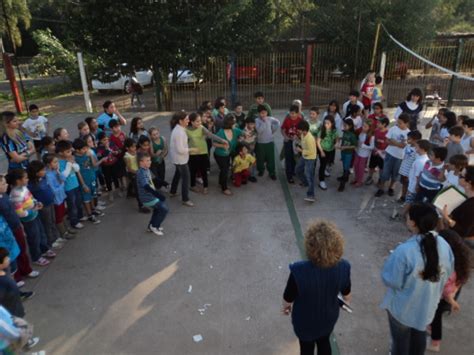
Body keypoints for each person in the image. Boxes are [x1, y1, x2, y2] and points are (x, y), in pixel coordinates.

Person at [381, 203, 454, 355]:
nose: (406, 218)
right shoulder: (444, 245)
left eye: (408, 217)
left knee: (400, 344)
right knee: (419, 335)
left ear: (413, 223)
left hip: (403, 310)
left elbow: (392, 281)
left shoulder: (404, 251)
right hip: (427, 308)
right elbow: (447, 273)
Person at [282, 220, 351, 355]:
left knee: (306, 348)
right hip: (328, 318)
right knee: (324, 342)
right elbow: (347, 296)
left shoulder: (298, 270)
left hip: (305, 322)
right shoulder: (344, 267)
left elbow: (287, 299)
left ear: (309, 246)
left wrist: (286, 308)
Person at [427, 229, 471, 352]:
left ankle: (435, 343)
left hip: (442, 298)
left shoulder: (448, 265)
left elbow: (445, 288)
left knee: (436, 319)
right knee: (435, 317)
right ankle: (430, 328)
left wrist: (451, 300)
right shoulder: (461, 260)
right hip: (448, 295)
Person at [7, 169, 53, 267]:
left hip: (35, 215)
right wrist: (33, 210)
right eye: (26, 178)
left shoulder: (24, 187)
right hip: (28, 220)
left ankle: (44, 249)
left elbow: (31, 198)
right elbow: (19, 213)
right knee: (34, 238)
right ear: (18, 181)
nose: (28, 179)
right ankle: (36, 257)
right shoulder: (15, 194)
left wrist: (36, 203)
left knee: (41, 233)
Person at [0, 175, 38, 283]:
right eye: (3, 184)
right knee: (11, 255)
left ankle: (25, 270)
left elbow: (13, 212)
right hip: (8, 231)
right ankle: (16, 276)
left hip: (16, 226)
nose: (6, 185)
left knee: (20, 249)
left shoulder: (4, 195)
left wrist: (19, 224)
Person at [187, 112, 227, 194]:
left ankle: (205, 186)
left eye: (200, 121)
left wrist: (222, 140)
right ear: (192, 122)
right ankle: (192, 186)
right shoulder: (186, 130)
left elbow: (210, 135)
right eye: (197, 121)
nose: (200, 123)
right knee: (193, 171)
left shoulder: (201, 128)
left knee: (203, 170)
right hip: (192, 153)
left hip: (203, 152)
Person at [26, 161, 63, 250]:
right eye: (42, 170)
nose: (44, 171)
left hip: (50, 202)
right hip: (43, 207)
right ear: (36, 172)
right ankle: (51, 241)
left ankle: (56, 237)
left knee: (52, 220)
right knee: (47, 223)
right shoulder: (31, 185)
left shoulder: (43, 178)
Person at [375, 114, 410, 197]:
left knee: (395, 174)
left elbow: (404, 145)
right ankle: (381, 188)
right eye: (398, 122)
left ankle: (391, 187)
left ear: (406, 123)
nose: (398, 124)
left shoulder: (408, 133)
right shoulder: (393, 129)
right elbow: (387, 140)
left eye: (400, 123)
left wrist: (393, 141)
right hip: (390, 154)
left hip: (400, 157)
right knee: (385, 172)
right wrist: (398, 143)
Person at [169, 112, 198, 206]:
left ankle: (172, 191)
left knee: (178, 174)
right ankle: (185, 199)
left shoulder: (180, 128)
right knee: (186, 178)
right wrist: (192, 149)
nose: (188, 121)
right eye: (186, 119)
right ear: (180, 121)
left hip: (178, 159)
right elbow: (180, 150)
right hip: (180, 159)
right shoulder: (179, 132)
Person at [136, 153, 169, 236]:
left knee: (158, 210)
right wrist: (159, 195)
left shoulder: (147, 170)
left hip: (151, 196)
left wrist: (165, 183)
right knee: (164, 209)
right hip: (147, 198)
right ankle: (154, 226)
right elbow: (146, 186)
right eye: (147, 160)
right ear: (141, 163)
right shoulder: (141, 173)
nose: (150, 162)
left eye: (149, 160)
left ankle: (150, 227)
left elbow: (155, 178)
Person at [441, 166, 474, 248]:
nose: (458, 175)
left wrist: (447, 218)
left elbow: (463, 231)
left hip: (461, 242)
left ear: (468, 182)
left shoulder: (471, 206)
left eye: (461, 175)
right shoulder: (467, 197)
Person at [56, 140, 86, 230]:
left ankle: (79, 216)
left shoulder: (70, 159)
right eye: (68, 152)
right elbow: (63, 176)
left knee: (78, 202)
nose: (70, 153)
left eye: (70, 151)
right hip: (68, 188)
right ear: (61, 153)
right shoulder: (59, 163)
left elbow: (77, 170)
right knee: (72, 206)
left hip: (75, 185)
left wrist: (73, 163)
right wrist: (69, 164)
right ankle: (74, 222)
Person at [43, 154, 73, 239]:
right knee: (59, 217)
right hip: (57, 200)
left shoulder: (54, 171)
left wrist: (59, 171)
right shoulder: (48, 175)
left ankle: (66, 229)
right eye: (55, 162)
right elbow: (54, 190)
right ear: (49, 164)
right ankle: (63, 233)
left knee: (63, 214)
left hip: (61, 197)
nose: (57, 164)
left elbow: (63, 179)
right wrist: (62, 185)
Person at [73, 139, 103, 224]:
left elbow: (94, 164)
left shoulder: (87, 154)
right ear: (77, 150)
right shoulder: (75, 159)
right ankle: (89, 215)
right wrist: (83, 185)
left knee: (93, 194)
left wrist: (90, 156)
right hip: (84, 182)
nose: (85, 150)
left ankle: (93, 210)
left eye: (86, 148)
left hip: (92, 177)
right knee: (86, 198)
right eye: (83, 149)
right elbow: (78, 173)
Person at [213, 114, 243, 196]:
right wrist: (222, 145)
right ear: (229, 124)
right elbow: (213, 143)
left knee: (224, 170)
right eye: (234, 123)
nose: (235, 124)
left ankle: (220, 183)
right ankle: (224, 188)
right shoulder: (221, 132)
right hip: (219, 155)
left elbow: (243, 133)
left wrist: (246, 135)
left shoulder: (235, 130)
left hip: (227, 154)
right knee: (225, 171)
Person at [403, 139, 431, 214]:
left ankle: (403, 214)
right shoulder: (421, 158)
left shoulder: (421, 162)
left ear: (422, 149)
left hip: (413, 185)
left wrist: (415, 187)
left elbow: (418, 176)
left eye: (417, 147)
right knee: (409, 200)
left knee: (409, 201)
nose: (415, 148)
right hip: (412, 183)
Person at [255, 105, 280, 180]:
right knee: (260, 157)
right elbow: (259, 131)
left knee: (270, 158)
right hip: (260, 142)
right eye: (262, 113)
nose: (264, 115)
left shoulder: (270, 119)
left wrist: (273, 130)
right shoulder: (257, 120)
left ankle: (272, 172)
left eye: (265, 113)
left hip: (269, 141)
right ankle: (261, 170)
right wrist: (264, 122)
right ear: (259, 113)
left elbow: (278, 122)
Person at [295, 120, 317, 202]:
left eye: (299, 129)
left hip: (310, 158)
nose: (298, 130)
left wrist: (300, 150)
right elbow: (302, 143)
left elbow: (311, 151)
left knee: (309, 176)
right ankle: (305, 182)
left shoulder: (310, 139)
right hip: (304, 156)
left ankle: (311, 195)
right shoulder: (303, 135)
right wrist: (300, 145)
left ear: (304, 129)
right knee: (298, 170)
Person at [281, 105, 303, 184]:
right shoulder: (287, 120)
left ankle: (293, 171)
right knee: (288, 158)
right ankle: (289, 176)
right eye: (291, 113)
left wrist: (298, 137)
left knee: (295, 157)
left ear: (297, 113)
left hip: (297, 142)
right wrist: (285, 137)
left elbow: (302, 131)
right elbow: (283, 129)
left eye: (293, 113)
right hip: (288, 142)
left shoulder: (300, 120)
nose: (292, 115)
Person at [397, 130, 422, 202]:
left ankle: (407, 200)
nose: (407, 140)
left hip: (409, 172)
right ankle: (403, 197)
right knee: (404, 184)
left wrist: (410, 174)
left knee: (409, 186)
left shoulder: (417, 150)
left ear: (416, 140)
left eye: (409, 139)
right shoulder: (408, 146)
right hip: (403, 170)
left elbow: (415, 163)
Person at [96, 132, 121, 202]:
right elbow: (99, 157)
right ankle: (110, 193)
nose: (106, 141)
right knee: (108, 180)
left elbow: (118, 151)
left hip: (114, 164)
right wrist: (106, 149)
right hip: (106, 166)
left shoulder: (112, 143)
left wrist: (116, 152)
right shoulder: (99, 148)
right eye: (104, 140)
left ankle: (118, 189)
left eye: (107, 139)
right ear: (100, 141)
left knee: (116, 177)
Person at [0, 248, 25, 318]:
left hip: (15, 308)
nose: (9, 259)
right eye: (6, 258)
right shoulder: (3, 282)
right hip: (11, 314)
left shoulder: (5, 275)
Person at [365, 116, 389, 185]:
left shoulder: (388, 133)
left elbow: (388, 145)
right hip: (374, 152)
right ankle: (370, 177)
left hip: (382, 154)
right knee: (371, 166)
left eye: (379, 123)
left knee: (381, 167)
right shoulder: (376, 131)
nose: (377, 124)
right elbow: (373, 141)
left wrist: (382, 152)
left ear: (384, 124)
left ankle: (380, 179)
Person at [317, 115, 338, 190]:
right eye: (325, 123)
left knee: (327, 162)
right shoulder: (322, 131)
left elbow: (337, 139)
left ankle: (325, 170)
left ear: (332, 123)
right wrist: (321, 151)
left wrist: (336, 143)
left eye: (328, 123)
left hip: (331, 150)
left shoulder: (334, 130)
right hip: (322, 150)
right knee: (322, 165)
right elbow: (318, 142)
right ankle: (321, 181)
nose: (326, 125)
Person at [351, 120, 375, 187]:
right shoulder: (360, 132)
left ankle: (360, 181)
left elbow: (372, 147)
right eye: (363, 126)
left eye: (365, 127)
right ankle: (356, 178)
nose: (363, 127)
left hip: (364, 155)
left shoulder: (371, 137)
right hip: (358, 152)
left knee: (360, 168)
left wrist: (364, 146)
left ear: (369, 128)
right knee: (355, 165)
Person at [336, 119, 357, 192]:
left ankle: (342, 184)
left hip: (348, 153)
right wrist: (339, 139)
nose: (344, 127)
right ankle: (345, 177)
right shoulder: (345, 132)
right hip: (343, 152)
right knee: (344, 165)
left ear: (350, 126)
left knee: (346, 167)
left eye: (345, 125)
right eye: (343, 125)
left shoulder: (352, 135)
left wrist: (345, 147)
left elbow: (354, 146)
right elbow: (343, 138)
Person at [239, 117, 258, 182]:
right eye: (251, 124)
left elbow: (255, 139)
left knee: (252, 163)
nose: (253, 126)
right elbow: (240, 141)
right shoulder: (242, 131)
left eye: (253, 124)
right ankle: (244, 177)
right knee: (244, 164)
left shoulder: (254, 131)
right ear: (246, 124)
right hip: (245, 151)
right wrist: (247, 142)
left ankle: (252, 175)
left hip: (252, 150)